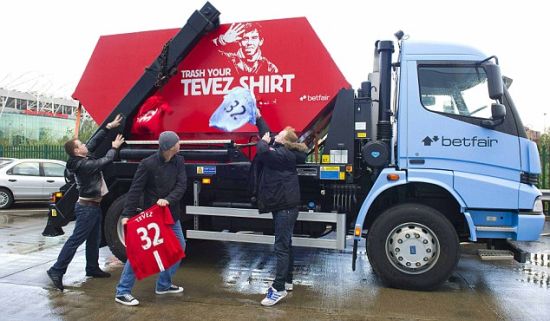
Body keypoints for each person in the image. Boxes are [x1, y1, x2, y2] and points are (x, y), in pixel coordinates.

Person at [47, 115, 125, 291]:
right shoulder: (83, 165)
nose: (84, 145)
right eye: (81, 145)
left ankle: (92, 268)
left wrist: (108, 127)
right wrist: (113, 148)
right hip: (86, 208)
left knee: (94, 239)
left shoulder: (82, 157)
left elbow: (94, 143)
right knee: (75, 240)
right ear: (76, 151)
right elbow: (103, 162)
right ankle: (56, 270)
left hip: (93, 207)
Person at [114, 131, 187, 306]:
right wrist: (126, 214)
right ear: (169, 147)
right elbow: (135, 190)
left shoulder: (179, 161)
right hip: (153, 216)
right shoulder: (147, 164)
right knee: (141, 252)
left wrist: (168, 200)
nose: (180, 143)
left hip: (171, 213)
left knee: (179, 247)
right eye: (178, 142)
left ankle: (163, 284)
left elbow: (181, 185)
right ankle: (122, 291)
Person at [253, 109, 308, 306]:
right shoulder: (283, 151)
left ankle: (279, 288)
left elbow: (261, 150)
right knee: (286, 243)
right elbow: (267, 134)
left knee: (281, 246)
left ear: (285, 142)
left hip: (285, 207)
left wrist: (264, 142)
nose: (276, 135)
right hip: (284, 205)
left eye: (280, 135)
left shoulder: (282, 155)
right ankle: (288, 279)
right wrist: (259, 117)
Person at [213, 22, 278, 74]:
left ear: (261, 41)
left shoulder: (269, 67)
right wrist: (222, 40)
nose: (249, 43)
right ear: (239, 42)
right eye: (245, 39)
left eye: (254, 38)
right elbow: (206, 52)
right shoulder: (228, 59)